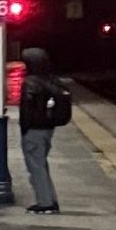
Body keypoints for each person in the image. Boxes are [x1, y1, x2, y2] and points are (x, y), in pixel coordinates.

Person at [18, 46, 73, 216]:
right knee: (41, 164)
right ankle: (50, 200)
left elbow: (27, 109)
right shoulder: (52, 80)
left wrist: (24, 128)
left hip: (33, 130)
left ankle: (45, 203)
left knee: (36, 167)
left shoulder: (30, 82)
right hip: (48, 129)